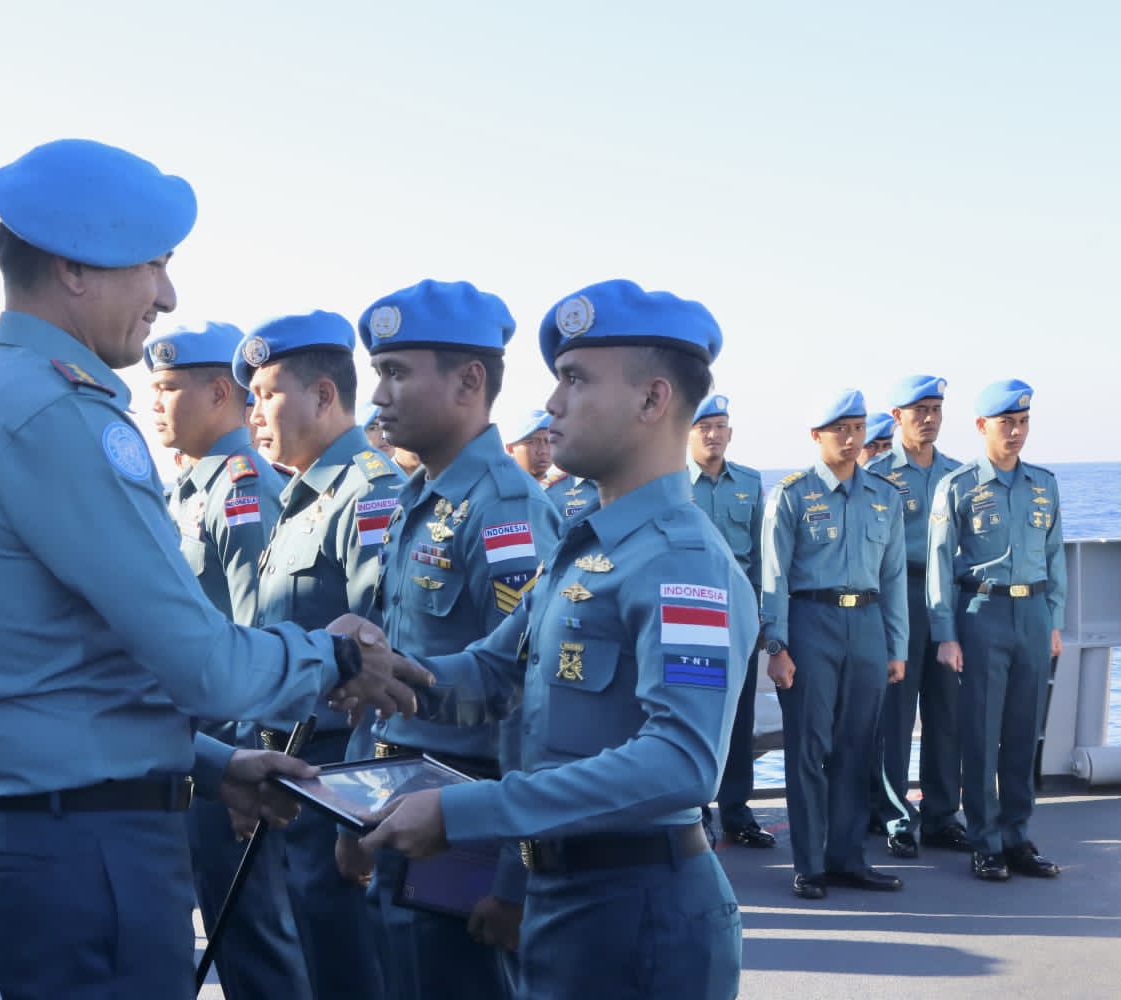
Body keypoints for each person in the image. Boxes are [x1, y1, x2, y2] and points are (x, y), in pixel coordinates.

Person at [0, 138, 428, 998]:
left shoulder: (2, 402)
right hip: (91, 859)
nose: (166, 295)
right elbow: (202, 663)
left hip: (63, 845)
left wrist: (216, 766)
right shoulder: (58, 416)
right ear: (74, 268)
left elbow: (72, 678)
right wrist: (339, 655)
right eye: (153, 265)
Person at [357, 279, 757, 1000]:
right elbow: (491, 674)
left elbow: (682, 761)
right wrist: (379, 671)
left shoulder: (682, 559)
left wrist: (465, 813)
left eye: (575, 380)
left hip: (640, 909)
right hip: (565, 897)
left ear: (652, 400)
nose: (551, 404)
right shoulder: (588, 547)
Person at [342, 279, 562, 1000]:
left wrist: (515, 873)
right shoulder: (419, 497)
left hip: (463, 818)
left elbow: (524, 694)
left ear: (470, 381)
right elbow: (389, 668)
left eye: (397, 373)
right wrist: (352, 806)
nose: (379, 396)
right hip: (397, 797)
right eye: (379, 373)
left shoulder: (505, 507)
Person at [236, 310, 405, 1000]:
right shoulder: (299, 497)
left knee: (349, 966)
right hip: (291, 767)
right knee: (312, 953)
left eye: (268, 394)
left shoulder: (370, 492)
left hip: (336, 770)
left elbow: (379, 653)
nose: (254, 414)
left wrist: (359, 802)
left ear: (324, 395)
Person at [144, 321, 314, 1000]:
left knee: (256, 940)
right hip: (199, 749)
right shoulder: (187, 491)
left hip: (232, 750)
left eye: (166, 388)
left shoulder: (244, 491)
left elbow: (254, 633)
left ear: (219, 393)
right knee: (226, 928)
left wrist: (244, 765)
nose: (154, 403)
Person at [762, 389, 908, 900]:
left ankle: (848, 859)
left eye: (858, 428)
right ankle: (810, 864)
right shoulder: (793, 495)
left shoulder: (885, 496)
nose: (851, 439)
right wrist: (776, 645)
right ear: (816, 436)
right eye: (840, 430)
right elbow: (774, 577)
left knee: (857, 748)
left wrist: (897, 646)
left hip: (867, 625)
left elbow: (893, 577)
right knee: (809, 748)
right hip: (811, 622)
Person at [927, 379, 1065, 882]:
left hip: (1033, 615)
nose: (1016, 431)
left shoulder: (1044, 484)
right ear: (982, 426)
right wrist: (945, 633)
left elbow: (1055, 556)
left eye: (1023, 421)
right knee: (982, 735)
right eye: (1007, 422)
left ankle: (1016, 837)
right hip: (982, 613)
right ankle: (985, 841)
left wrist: (1055, 621)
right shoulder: (959, 486)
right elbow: (939, 564)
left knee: (1024, 733)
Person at [865, 375, 966, 858]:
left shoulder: (958, 475)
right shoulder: (877, 474)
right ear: (897, 416)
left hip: (947, 598)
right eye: (919, 410)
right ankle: (894, 815)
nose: (928, 418)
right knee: (896, 715)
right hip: (898, 593)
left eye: (935, 409)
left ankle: (943, 815)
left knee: (947, 712)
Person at [687, 393, 775, 850]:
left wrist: (761, 617)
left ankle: (738, 812)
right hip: (688, 614)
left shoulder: (750, 483)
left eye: (720, 426)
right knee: (696, 716)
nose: (713, 435)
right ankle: (696, 812)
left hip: (738, 615)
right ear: (687, 433)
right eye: (704, 427)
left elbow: (762, 555)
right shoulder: (671, 483)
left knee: (740, 720)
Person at [503, 409, 553, 483]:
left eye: (549, 442)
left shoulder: (564, 487)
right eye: (531, 442)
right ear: (510, 449)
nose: (543, 451)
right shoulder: (496, 487)